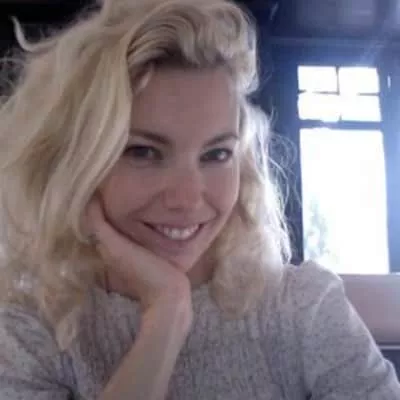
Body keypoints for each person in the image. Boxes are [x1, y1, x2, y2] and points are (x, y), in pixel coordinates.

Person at [0, 0, 398, 399]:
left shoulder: (303, 307)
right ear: (76, 164)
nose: (189, 199)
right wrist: (166, 316)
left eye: (216, 154)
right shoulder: (33, 331)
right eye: (143, 152)